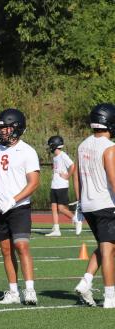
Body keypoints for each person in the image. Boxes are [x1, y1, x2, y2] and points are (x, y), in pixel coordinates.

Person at [0, 108, 40, 305]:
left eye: (7, 127)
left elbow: (34, 182)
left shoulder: (27, 151)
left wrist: (13, 200)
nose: (3, 131)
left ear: (17, 128)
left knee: (21, 246)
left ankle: (30, 289)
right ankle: (13, 291)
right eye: (1, 128)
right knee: (6, 250)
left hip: (18, 206)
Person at [72, 103, 115, 308]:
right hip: (106, 203)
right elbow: (114, 180)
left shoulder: (82, 145)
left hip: (88, 204)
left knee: (105, 246)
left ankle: (86, 281)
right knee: (108, 251)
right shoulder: (109, 148)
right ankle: (110, 296)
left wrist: (79, 203)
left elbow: (76, 176)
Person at [46, 135, 77, 237]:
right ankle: (56, 229)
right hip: (54, 185)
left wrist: (67, 176)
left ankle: (75, 219)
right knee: (54, 208)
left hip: (61, 186)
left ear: (54, 145)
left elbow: (72, 165)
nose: (49, 147)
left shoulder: (63, 155)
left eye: (50, 145)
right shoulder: (55, 157)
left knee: (61, 208)